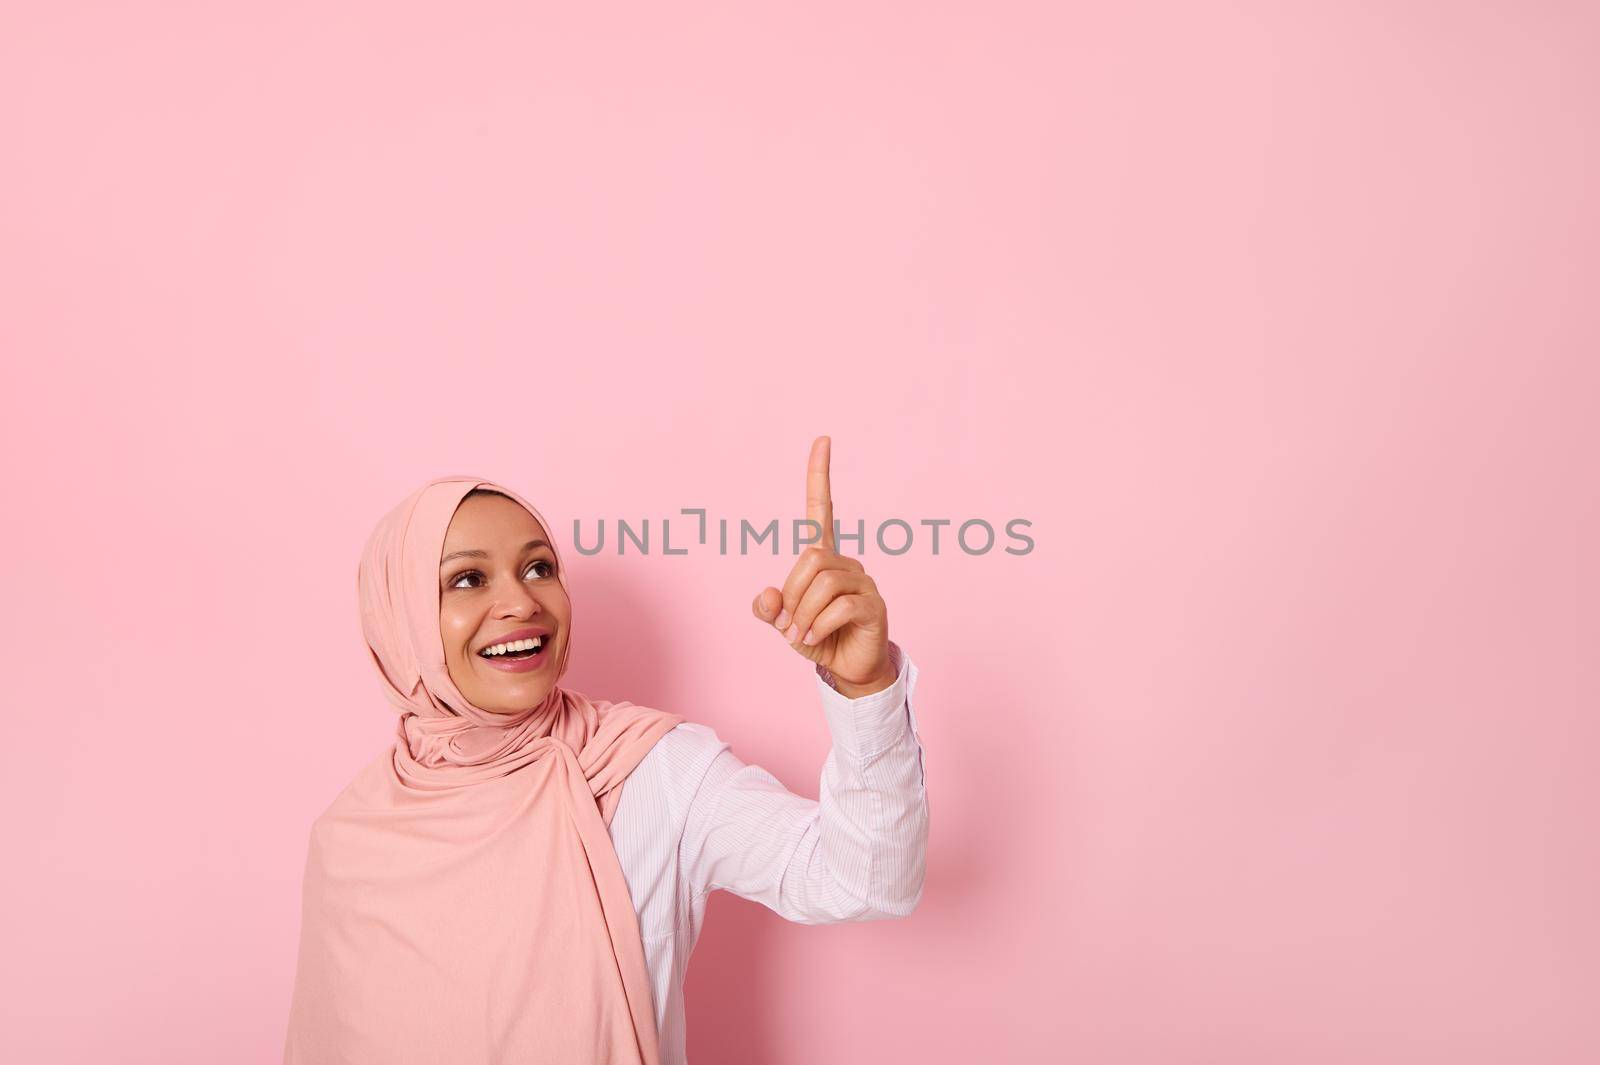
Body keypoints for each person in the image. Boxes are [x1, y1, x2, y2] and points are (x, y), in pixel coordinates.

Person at [282, 436, 928, 1065]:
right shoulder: (350, 836)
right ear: (399, 617)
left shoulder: (654, 767)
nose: (521, 601)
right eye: (468, 579)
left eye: (539, 567)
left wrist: (864, 688)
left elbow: (866, 880)